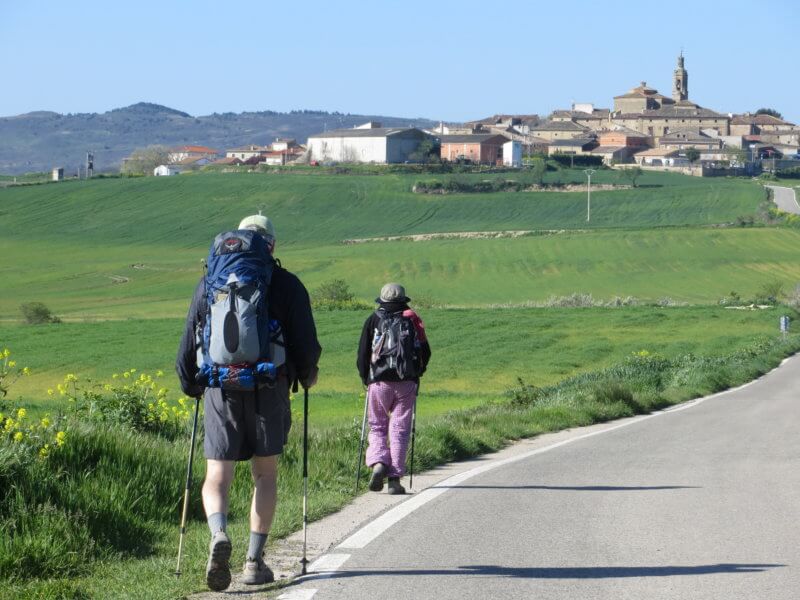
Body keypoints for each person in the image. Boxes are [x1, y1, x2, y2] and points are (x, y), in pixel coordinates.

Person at [176, 214, 321, 591]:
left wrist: (193, 385)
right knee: (265, 474)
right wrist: (306, 374)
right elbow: (305, 343)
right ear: (270, 245)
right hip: (269, 385)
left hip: (220, 388)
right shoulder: (287, 284)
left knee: (217, 476)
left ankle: (218, 533)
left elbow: (189, 341)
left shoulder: (210, 280)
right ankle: (255, 562)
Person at [356, 283, 431, 495]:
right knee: (400, 428)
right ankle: (394, 480)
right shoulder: (412, 319)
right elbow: (426, 351)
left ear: (382, 300)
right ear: (403, 299)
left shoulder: (373, 319)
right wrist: (418, 373)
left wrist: (366, 378)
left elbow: (362, 354)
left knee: (378, 425)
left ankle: (379, 462)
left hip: (378, 382)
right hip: (406, 382)